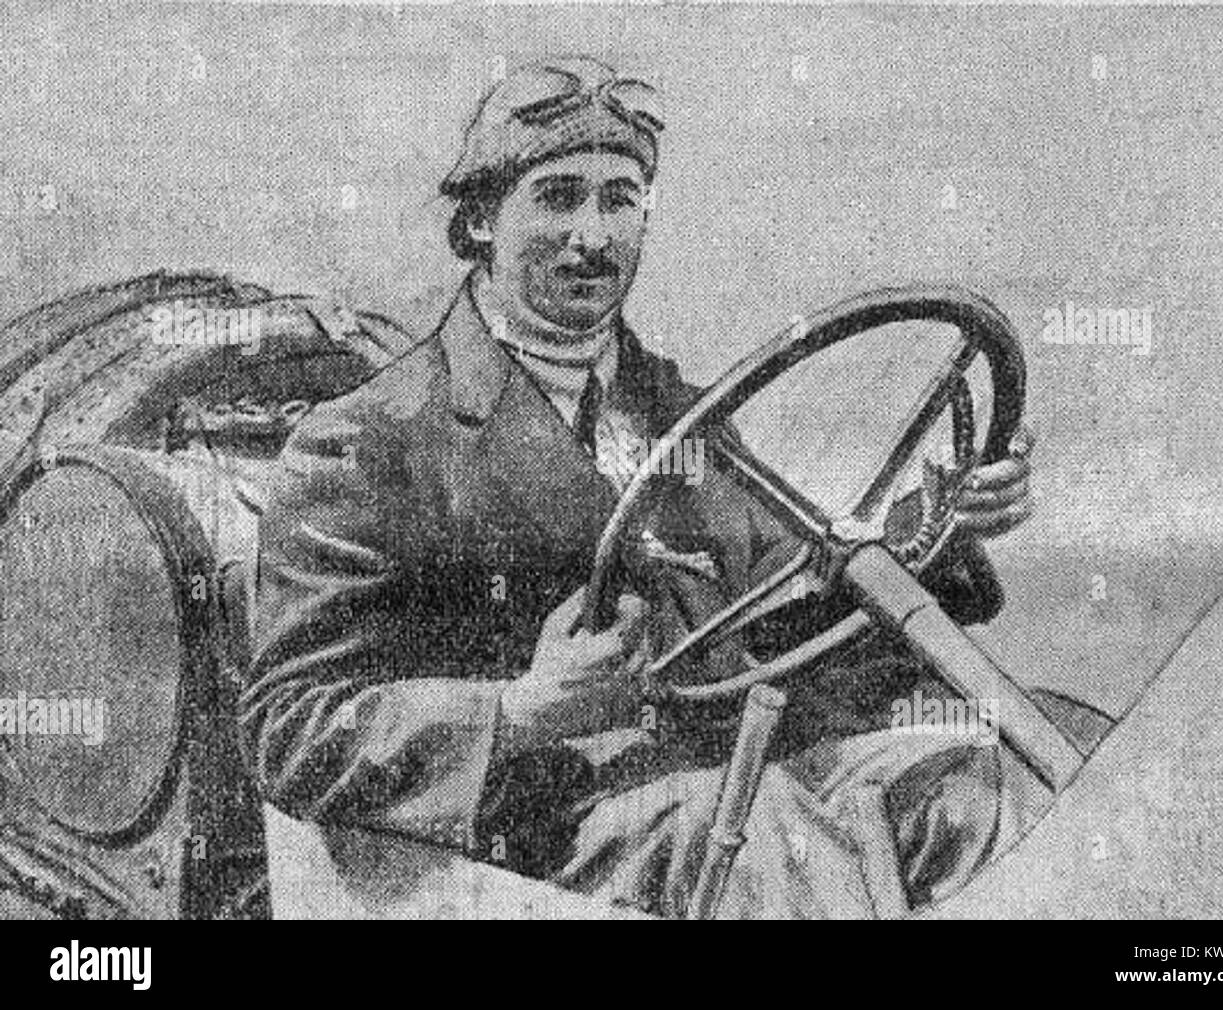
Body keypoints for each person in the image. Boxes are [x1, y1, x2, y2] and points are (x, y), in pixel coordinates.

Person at [239, 55, 1103, 918]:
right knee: (775, 837)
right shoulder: (369, 441)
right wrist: (516, 712)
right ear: (478, 225)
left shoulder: (682, 416)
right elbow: (287, 729)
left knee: (1016, 765)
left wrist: (939, 523)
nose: (593, 234)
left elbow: (789, 611)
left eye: (619, 200)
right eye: (558, 197)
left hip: (741, 775)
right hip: (538, 831)